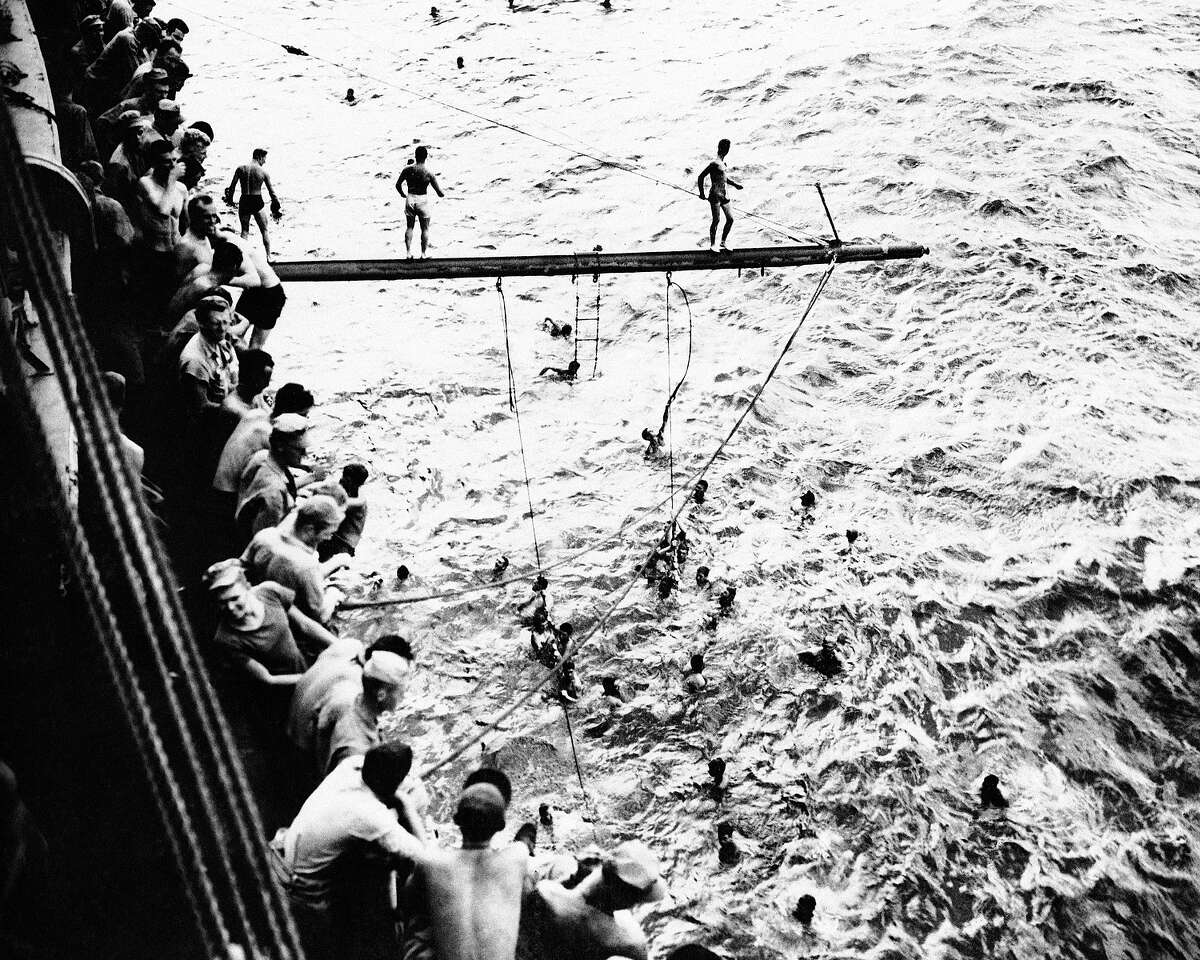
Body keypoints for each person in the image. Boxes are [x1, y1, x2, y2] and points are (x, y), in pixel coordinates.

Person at [271, 743, 426, 960]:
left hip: (280, 861)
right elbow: (425, 858)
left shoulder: (350, 767)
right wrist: (407, 805)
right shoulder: (367, 815)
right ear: (393, 783)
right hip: (302, 896)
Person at [408, 773, 529, 960]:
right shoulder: (517, 858)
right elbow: (525, 841)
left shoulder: (431, 862)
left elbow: (409, 903)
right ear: (501, 826)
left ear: (456, 819)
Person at [518, 840, 665, 960]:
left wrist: (573, 877)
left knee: (561, 864)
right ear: (627, 901)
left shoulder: (546, 892)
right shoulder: (631, 942)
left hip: (532, 945)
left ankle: (524, 848)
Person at [203, 559, 338, 687]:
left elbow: (305, 625)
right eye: (222, 602)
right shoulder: (226, 639)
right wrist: (317, 678)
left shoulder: (270, 593)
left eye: (235, 598)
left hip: (303, 666)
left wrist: (338, 645)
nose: (230, 607)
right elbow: (268, 679)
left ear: (248, 587)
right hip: (283, 688)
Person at [287, 635, 413, 758]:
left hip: (293, 717)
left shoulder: (350, 645)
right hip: (301, 746)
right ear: (381, 694)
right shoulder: (354, 692)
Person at [241, 496, 346, 625]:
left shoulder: (266, 535)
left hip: (253, 610)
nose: (329, 538)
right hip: (286, 626)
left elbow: (243, 568)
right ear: (309, 529)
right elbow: (321, 615)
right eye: (328, 533)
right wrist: (333, 593)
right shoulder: (307, 565)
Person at [312, 648, 414, 776]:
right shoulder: (356, 751)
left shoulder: (346, 692)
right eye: (400, 692)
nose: (403, 697)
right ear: (381, 695)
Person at [213, 382, 314, 502]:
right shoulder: (270, 434)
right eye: (303, 415)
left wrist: (305, 467)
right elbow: (280, 487)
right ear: (289, 414)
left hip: (221, 488)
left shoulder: (258, 414)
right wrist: (312, 477)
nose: (304, 420)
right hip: (227, 498)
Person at [235, 413, 310, 542]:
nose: (305, 454)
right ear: (280, 446)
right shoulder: (275, 492)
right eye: (299, 449)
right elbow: (265, 542)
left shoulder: (262, 456)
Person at [178, 294, 239, 420]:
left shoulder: (221, 342)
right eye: (215, 323)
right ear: (201, 323)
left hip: (226, 406)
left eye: (225, 322)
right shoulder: (195, 361)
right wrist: (236, 410)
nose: (222, 329)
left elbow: (232, 380)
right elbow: (201, 407)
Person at [224, 148, 282, 258]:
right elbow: (272, 192)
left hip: (244, 200)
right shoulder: (263, 172)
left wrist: (230, 200)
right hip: (256, 201)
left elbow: (232, 187)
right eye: (264, 158)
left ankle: (240, 258)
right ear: (260, 157)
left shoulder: (240, 169)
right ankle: (269, 256)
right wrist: (277, 205)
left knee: (244, 231)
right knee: (264, 230)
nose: (265, 161)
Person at [395, 145, 446, 259]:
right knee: (425, 228)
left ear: (415, 156)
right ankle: (423, 254)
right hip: (422, 199)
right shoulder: (429, 172)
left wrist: (403, 194)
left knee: (409, 227)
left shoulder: (407, 169)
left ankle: (408, 253)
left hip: (410, 198)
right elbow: (439, 192)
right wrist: (444, 193)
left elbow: (398, 185)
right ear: (426, 156)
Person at [696, 139, 741, 253]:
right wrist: (702, 193)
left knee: (730, 219)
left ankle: (723, 242)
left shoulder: (724, 164)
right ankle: (712, 244)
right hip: (715, 195)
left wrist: (735, 185)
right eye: (725, 149)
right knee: (716, 220)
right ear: (721, 149)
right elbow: (701, 177)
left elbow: (725, 179)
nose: (726, 151)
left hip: (725, 196)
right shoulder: (714, 164)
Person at [318, 463, 370, 561]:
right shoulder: (349, 492)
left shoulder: (358, 502)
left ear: (356, 483)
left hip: (343, 545)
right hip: (335, 540)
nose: (342, 480)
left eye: (347, 479)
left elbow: (335, 505)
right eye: (343, 476)